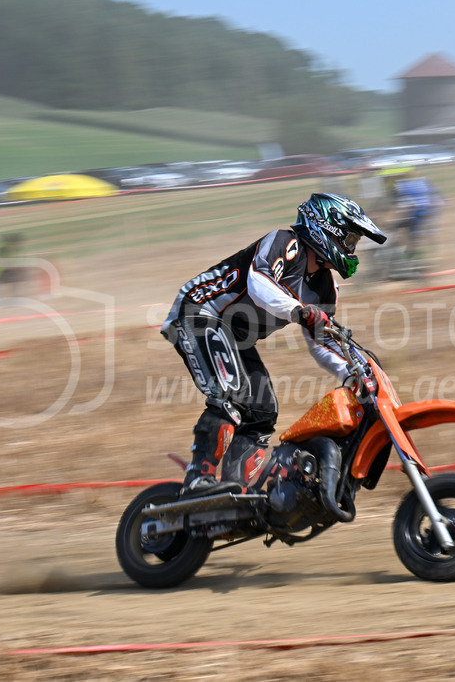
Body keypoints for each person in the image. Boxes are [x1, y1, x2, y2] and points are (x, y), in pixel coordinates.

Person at [160, 193, 387, 497]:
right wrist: (298, 310)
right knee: (231, 394)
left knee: (262, 412)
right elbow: (259, 284)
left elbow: (322, 342)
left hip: (234, 336)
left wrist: (355, 373)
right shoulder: (284, 243)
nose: (351, 248)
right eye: (349, 239)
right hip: (198, 312)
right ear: (326, 228)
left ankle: (233, 493)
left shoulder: (324, 286)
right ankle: (198, 479)